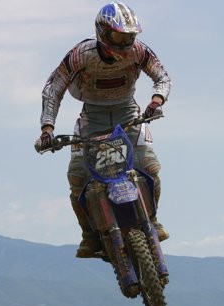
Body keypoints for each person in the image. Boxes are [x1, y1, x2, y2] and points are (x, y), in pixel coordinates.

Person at [36, 2, 172, 258]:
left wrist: (156, 101)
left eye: (129, 37)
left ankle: (152, 220)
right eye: (119, 37)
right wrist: (47, 128)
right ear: (102, 32)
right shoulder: (81, 54)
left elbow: (162, 76)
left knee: (150, 167)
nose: (125, 43)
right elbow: (54, 88)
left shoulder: (139, 50)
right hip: (91, 118)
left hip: (128, 113)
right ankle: (89, 234)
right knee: (78, 177)